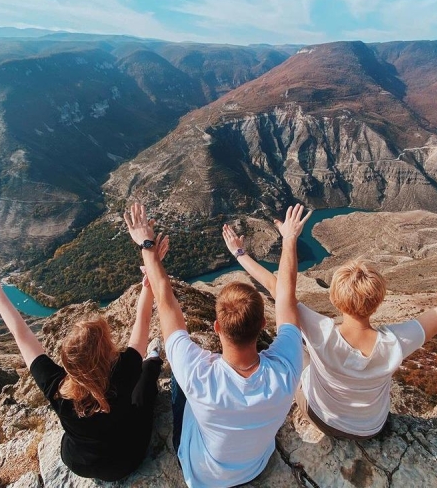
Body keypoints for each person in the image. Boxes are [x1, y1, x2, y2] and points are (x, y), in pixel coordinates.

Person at [221, 223, 437, 439]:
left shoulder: (321, 330)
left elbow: (278, 289)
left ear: (335, 299)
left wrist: (241, 253)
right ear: (378, 301)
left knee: (297, 355)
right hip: (371, 429)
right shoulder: (396, 342)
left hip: (322, 419)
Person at [124, 202, 311, 488]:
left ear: (218, 327)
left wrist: (147, 246)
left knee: (178, 375)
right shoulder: (287, 367)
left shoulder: (198, 375)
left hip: (199, 474)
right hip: (255, 467)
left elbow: (166, 302)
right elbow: (285, 296)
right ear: (263, 326)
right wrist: (288, 240)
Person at [0, 239, 169, 481]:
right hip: (125, 461)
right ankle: (154, 360)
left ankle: (152, 361)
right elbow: (142, 321)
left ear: (68, 364)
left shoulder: (57, 387)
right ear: (107, 350)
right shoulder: (124, 370)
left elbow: (22, 335)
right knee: (144, 386)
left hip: (77, 462)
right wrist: (149, 282)